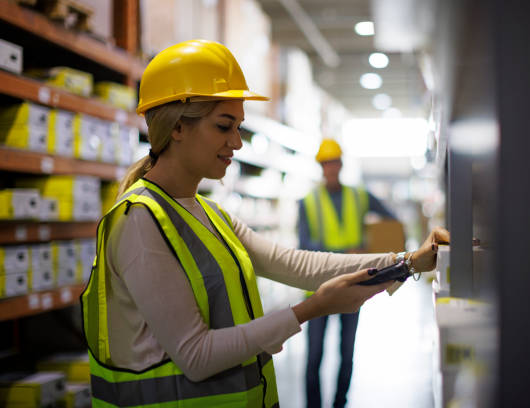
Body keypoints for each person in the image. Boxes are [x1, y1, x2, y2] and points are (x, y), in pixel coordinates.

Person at [80, 39, 450, 408]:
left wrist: (410, 262)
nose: (237, 143)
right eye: (225, 126)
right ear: (177, 127)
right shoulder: (139, 222)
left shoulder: (210, 214)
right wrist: (310, 309)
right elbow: (196, 355)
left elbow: (296, 265)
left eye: (238, 127)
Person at [298, 138, 399, 408]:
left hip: (354, 286)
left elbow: (392, 219)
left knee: (346, 353)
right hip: (318, 288)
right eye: (326, 163)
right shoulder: (308, 202)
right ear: (321, 167)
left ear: (341, 164)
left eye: (335, 162)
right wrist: (345, 252)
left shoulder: (359, 196)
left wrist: (372, 248)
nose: (331, 168)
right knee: (315, 355)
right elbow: (304, 245)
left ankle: (340, 403)